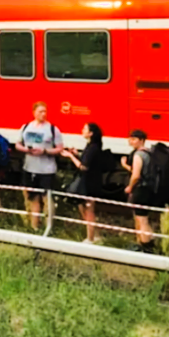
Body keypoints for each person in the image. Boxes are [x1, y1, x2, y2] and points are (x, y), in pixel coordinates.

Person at [16, 102, 64, 232]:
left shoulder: (52, 129)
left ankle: (49, 226)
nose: (43, 114)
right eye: (40, 111)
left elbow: (60, 148)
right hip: (30, 168)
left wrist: (45, 151)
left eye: (45, 111)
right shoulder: (26, 127)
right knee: (33, 198)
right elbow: (18, 144)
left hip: (47, 170)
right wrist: (26, 149)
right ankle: (34, 226)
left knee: (47, 198)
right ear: (34, 113)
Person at [62, 123, 105, 244]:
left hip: (89, 182)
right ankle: (95, 234)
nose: (82, 130)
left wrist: (71, 156)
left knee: (89, 209)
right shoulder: (91, 146)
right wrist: (77, 154)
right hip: (89, 181)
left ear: (91, 133)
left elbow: (84, 167)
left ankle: (90, 238)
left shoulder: (92, 148)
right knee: (83, 207)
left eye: (85, 129)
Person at [122, 130, 156, 252]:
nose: (131, 141)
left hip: (140, 189)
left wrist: (130, 187)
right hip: (149, 188)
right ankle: (146, 242)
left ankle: (145, 245)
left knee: (141, 219)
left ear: (141, 140)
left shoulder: (138, 155)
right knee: (142, 217)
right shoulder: (149, 153)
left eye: (134, 139)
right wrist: (126, 166)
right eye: (130, 139)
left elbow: (136, 175)